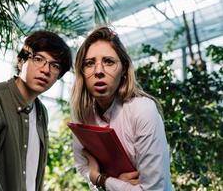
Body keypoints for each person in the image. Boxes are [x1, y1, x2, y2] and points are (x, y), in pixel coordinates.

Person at [0, 30, 72, 191]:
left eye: (55, 65)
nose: (46, 70)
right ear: (21, 61)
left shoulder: (41, 112)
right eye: (38, 59)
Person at [70, 26, 173, 190]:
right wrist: (110, 181)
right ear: (81, 72)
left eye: (108, 62)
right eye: (89, 63)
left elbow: (154, 189)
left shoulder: (142, 110)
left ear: (124, 69)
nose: (98, 71)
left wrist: (102, 180)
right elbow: (83, 168)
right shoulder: (82, 116)